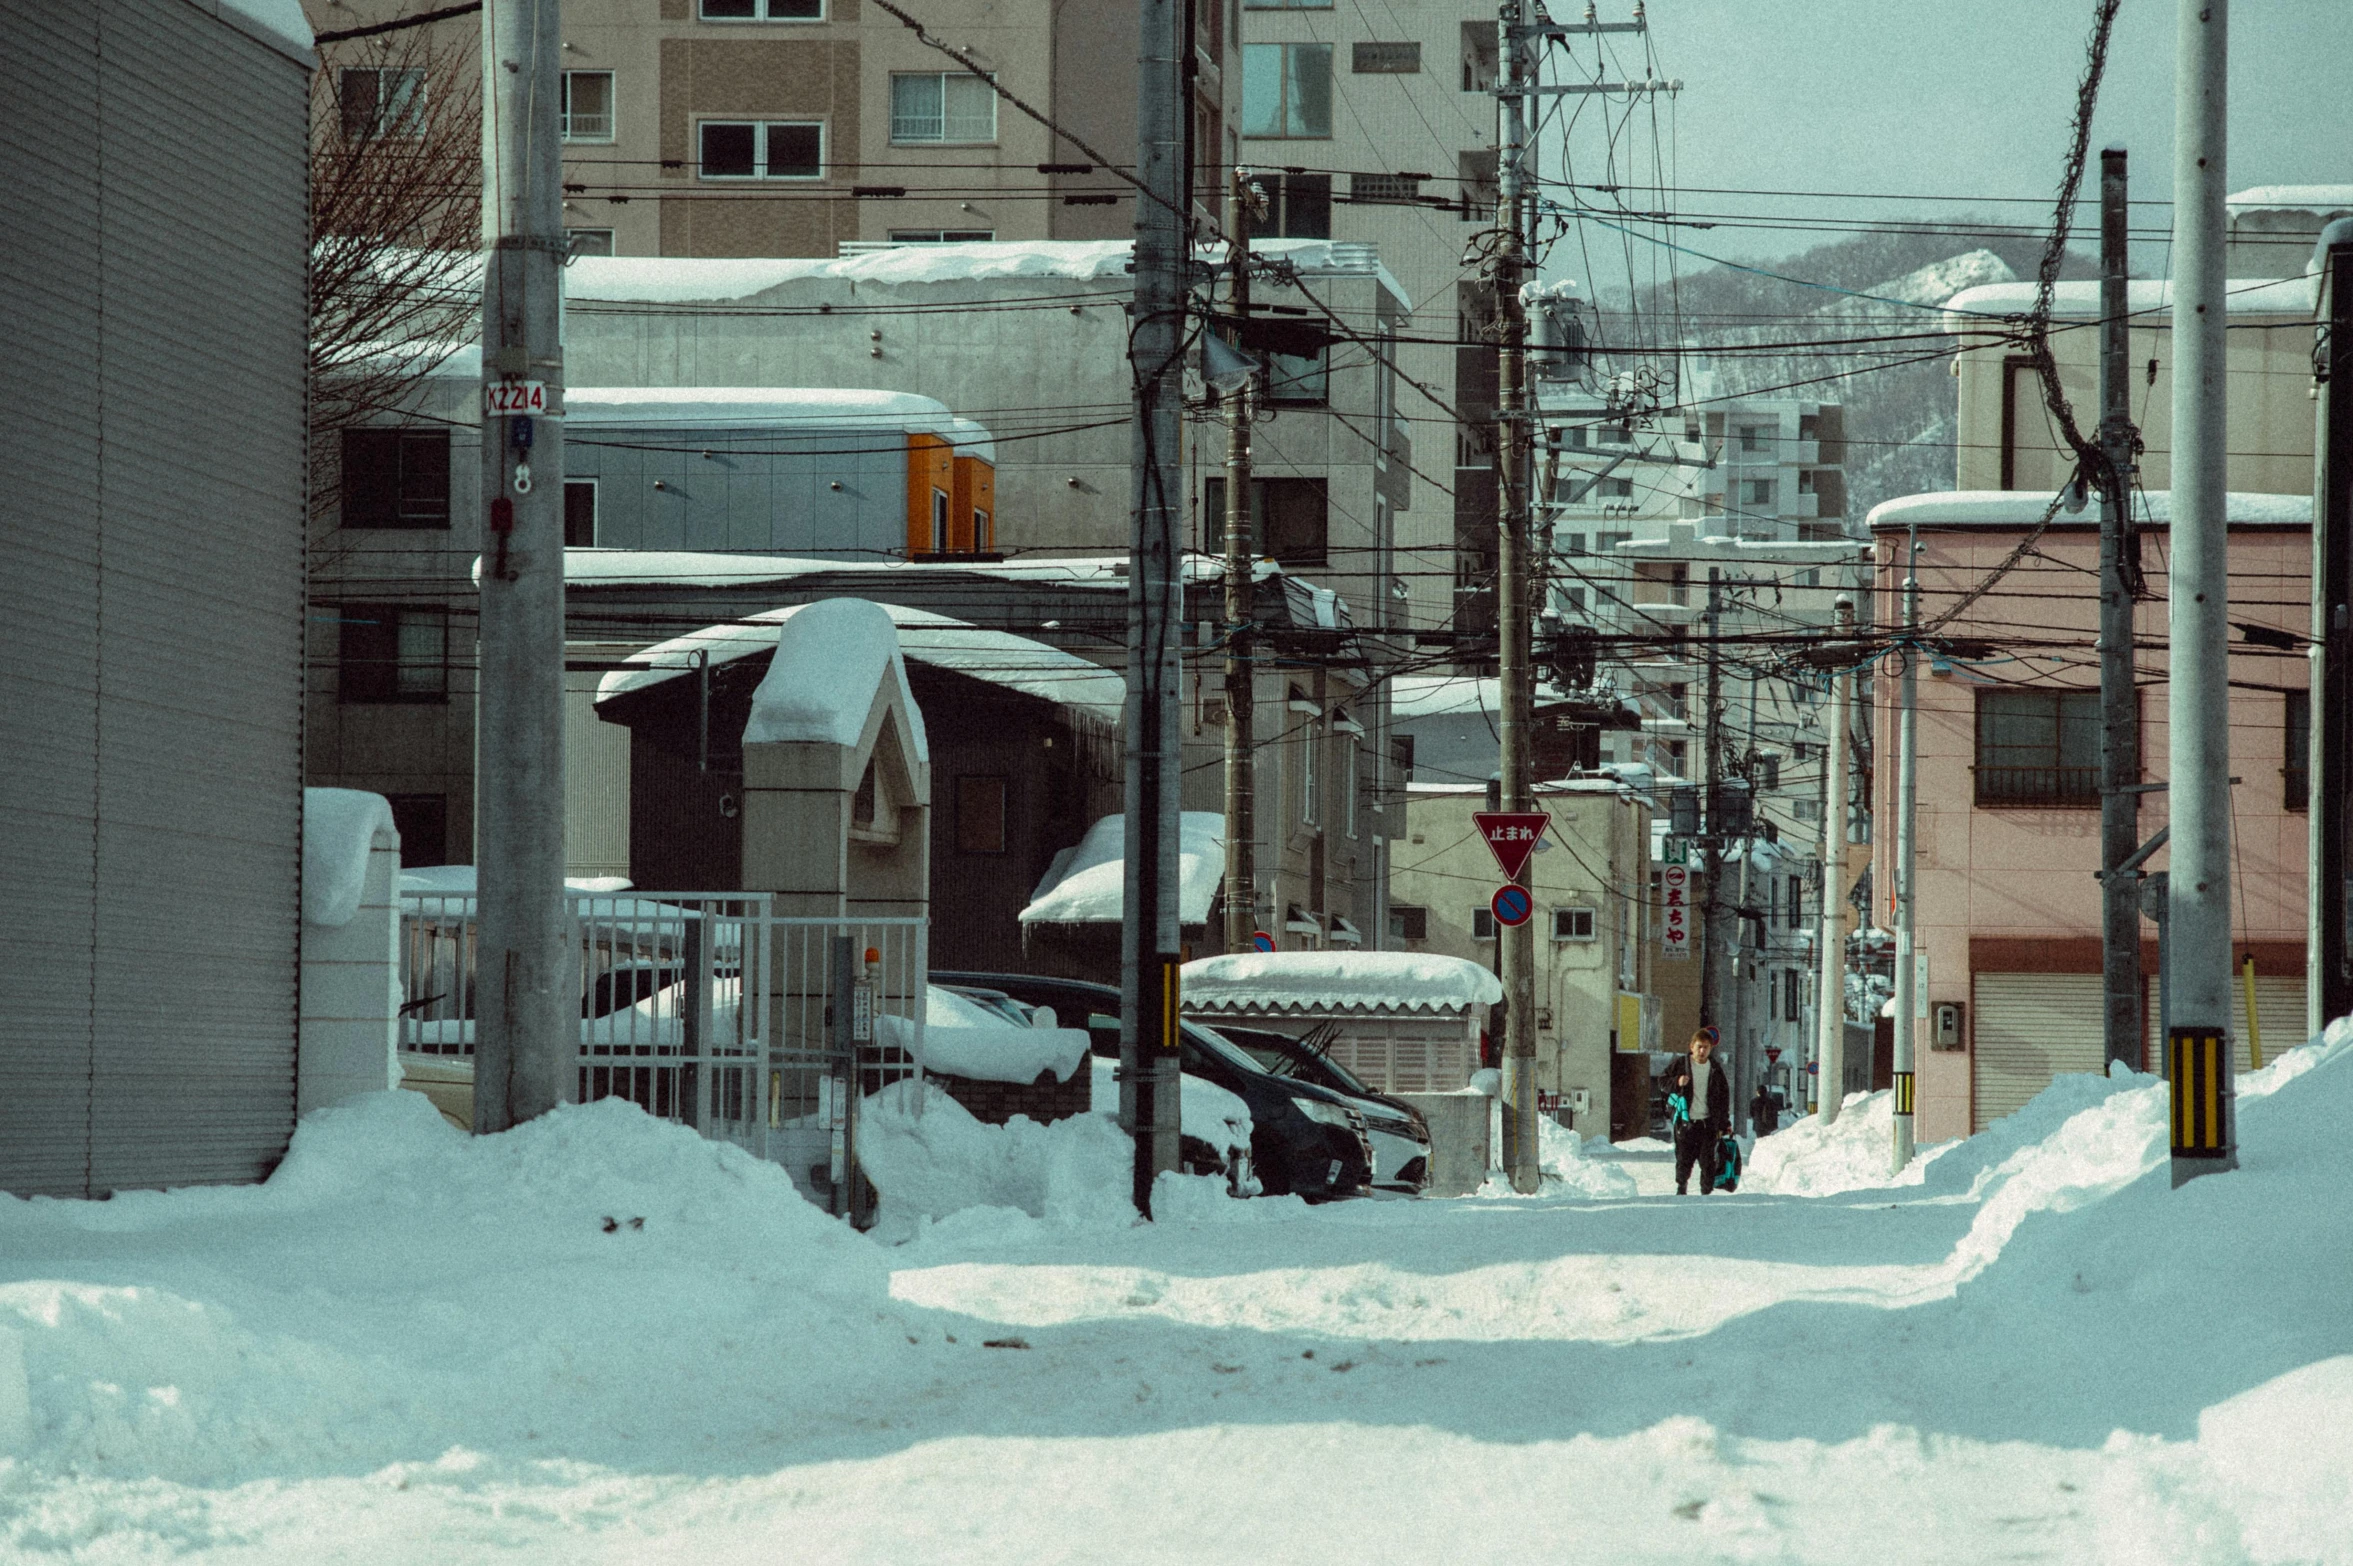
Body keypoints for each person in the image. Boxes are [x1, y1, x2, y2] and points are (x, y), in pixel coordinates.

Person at [1673, 1026, 1733, 1195]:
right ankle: (1681, 1187)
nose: (1702, 1050)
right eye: (1699, 1046)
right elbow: (1663, 1082)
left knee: (1707, 1161)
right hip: (1686, 1122)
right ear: (1691, 1046)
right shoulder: (1681, 1065)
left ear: (1710, 1048)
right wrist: (1678, 1081)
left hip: (1707, 1124)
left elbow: (1723, 1098)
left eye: (1706, 1047)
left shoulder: (1715, 1068)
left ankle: (1706, 1193)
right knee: (1684, 1159)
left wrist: (1724, 1123)